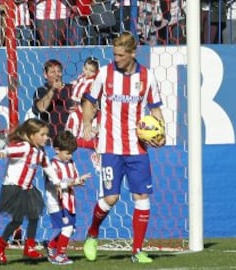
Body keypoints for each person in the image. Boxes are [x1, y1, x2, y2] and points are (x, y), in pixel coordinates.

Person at [81, 31, 166, 263]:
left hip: (137, 148)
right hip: (110, 146)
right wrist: (87, 121)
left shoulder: (147, 77)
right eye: (114, 54)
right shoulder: (105, 74)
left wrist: (161, 132)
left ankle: (137, 251)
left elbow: (155, 108)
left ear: (132, 53)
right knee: (111, 198)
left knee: (142, 196)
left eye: (120, 55)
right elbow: (89, 101)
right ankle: (92, 234)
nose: (116, 59)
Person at [0, 118, 62, 264]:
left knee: (34, 216)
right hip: (13, 188)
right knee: (17, 220)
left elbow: (47, 166)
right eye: (42, 135)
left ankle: (28, 246)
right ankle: (1, 243)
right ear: (31, 136)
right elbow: (10, 150)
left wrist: (57, 183)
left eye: (46, 135)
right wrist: (2, 152)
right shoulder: (24, 147)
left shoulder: (40, 152)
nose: (45, 138)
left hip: (27, 188)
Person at [43, 131, 91, 265]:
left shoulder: (71, 162)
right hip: (56, 202)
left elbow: (73, 178)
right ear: (56, 149)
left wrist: (79, 180)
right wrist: (73, 182)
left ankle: (51, 245)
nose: (70, 156)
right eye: (67, 153)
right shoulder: (51, 165)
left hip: (69, 201)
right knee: (67, 228)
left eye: (71, 153)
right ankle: (59, 255)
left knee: (70, 228)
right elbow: (56, 183)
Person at [32, 59, 75, 141]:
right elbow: (40, 109)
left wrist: (79, 108)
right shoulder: (41, 91)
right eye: (52, 72)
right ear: (45, 74)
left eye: (59, 71)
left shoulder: (72, 88)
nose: (56, 74)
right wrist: (53, 89)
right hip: (50, 140)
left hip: (71, 139)